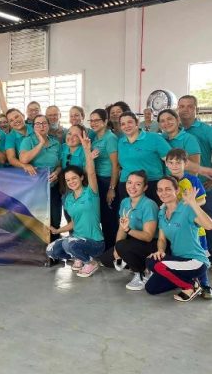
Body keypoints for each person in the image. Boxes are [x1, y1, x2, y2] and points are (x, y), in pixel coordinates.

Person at [145, 176, 212, 302]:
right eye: (160, 190)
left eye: (168, 189)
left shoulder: (187, 209)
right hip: (178, 261)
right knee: (151, 288)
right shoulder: (162, 213)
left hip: (195, 262)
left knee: (153, 263)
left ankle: (190, 286)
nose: (163, 193)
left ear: (177, 190)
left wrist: (193, 204)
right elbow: (162, 239)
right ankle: (185, 280)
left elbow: (209, 225)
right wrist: (160, 251)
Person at [46, 135, 104, 277]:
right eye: (68, 180)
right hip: (76, 240)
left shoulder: (91, 192)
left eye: (74, 178)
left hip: (94, 242)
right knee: (51, 250)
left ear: (81, 177)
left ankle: (90, 262)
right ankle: (79, 257)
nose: (71, 182)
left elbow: (91, 172)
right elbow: (74, 222)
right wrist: (58, 230)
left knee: (69, 244)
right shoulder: (69, 199)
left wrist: (86, 150)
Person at [99, 170, 158, 290]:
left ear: (145, 187)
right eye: (129, 182)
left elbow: (148, 237)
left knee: (122, 247)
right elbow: (121, 229)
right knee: (106, 259)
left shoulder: (149, 205)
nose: (132, 187)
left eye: (138, 184)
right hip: (135, 242)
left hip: (152, 245)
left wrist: (128, 231)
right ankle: (138, 263)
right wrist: (117, 250)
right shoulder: (125, 202)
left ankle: (142, 273)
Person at [178, 94, 212, 251]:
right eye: (181, 106)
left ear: (196, 109)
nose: (185, 109)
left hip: (203, 186)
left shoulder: (206, 130)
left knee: (206, 224)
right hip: (179, 188)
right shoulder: (173, 129)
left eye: (189, 106)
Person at [19, 114, 62, 241]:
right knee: (36, 221)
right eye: (38, 124)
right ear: (33, 127)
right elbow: (24, 159)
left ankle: (54, 248)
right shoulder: (28, 141)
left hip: (53, 187)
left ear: (48, 126)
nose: (41, 126)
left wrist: (57, 173)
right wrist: (41, 143)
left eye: (44, 123)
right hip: (35, 188)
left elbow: (59, 164)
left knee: (55, 219)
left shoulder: (55, 143)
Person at [117, 111, 171, 204]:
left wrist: (169, 182)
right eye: (123, 124)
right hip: (127, 184)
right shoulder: (121, 142)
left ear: (137, 122)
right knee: (128, 212)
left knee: (152, 212)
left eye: (130, 122)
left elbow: (171, 161)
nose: (126, 126)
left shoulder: (154, 138)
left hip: (151, 183)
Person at [89, 109, 119, 249]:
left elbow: (115, 165)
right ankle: (104, 247)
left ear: (105, 121)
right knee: (101, 216)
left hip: (108, 181)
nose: (93, 123)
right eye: (91, 120)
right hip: (98, 180)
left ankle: (112, 250)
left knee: (109, 218)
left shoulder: (110, 138)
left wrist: (111, 188)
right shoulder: (95, 138)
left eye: (97, 120)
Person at [3, 109, 36, 175]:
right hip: (24, 171)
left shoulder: (35, 128)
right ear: (9, 124)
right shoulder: (9, 137)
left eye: (16, 117)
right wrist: (24, 165)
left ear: (23, 116)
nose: (15, 121)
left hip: (43, 167)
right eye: (11, 120)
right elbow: (11, 158)